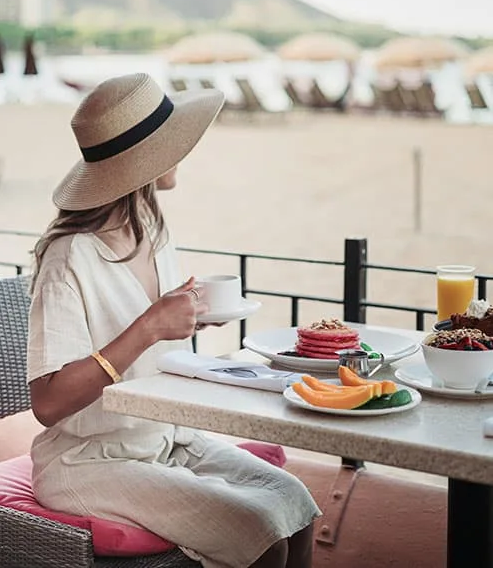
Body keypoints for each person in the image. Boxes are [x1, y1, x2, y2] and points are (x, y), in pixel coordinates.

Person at [27, 73, 321, 568]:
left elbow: (149, 336)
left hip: (166, 438)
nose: (182, 151)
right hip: (89, 459)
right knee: (263, 536)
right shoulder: (69, 259)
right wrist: (149, 327)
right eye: (172, 142)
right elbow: (49, 402)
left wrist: (185, 318)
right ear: (144, 160)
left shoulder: (154, 232)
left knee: (296, 507)